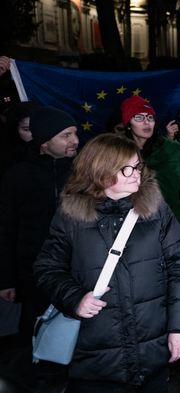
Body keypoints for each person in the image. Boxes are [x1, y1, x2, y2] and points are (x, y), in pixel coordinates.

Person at [34, 133, 180, 392]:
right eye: (126, 168)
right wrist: (75, 298)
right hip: (95, 360)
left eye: (137, 165)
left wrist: (179, 329)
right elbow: (47, 268)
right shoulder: (71, 215)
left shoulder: (155, 209)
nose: (136, 173)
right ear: (100, 171)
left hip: (152, 352)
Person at [0, 105, 78, 390]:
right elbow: (5, 230)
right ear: (44, 140)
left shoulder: (84, 172)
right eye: (66, 135)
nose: (75, 140)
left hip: (79, 275)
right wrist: (6, 279)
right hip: (34, 278)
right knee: (40, 343)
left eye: (75, 133)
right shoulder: (17, 175)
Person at [121, 95, 180, 223]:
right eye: (139, 117)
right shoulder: (118, 152)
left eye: (150, 117)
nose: (146, 122)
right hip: (130, 221)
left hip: (172, 220)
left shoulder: (172, 149)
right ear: (128, 125)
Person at [0, 101, 38, 179]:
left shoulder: (52, 150)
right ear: (15, 130)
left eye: (37, 127)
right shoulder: (7, 160)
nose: (33, 133)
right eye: (27, 129)